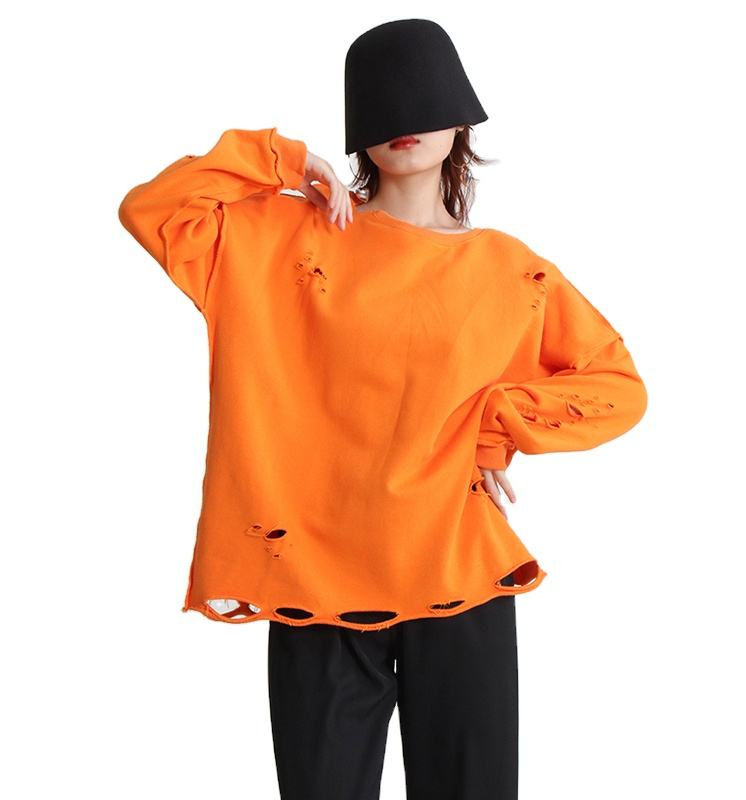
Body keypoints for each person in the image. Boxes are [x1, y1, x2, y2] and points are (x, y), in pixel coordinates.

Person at [118, 17, 647, 800]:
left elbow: (617, 387)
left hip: (458, 570)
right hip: (315, 581)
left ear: (461, 119)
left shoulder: (508, 271)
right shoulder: (283, 240)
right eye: (383, 102)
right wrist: (287, 161)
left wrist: (496, 423)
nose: (405, 120)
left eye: (425, 97)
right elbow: (152, 209)